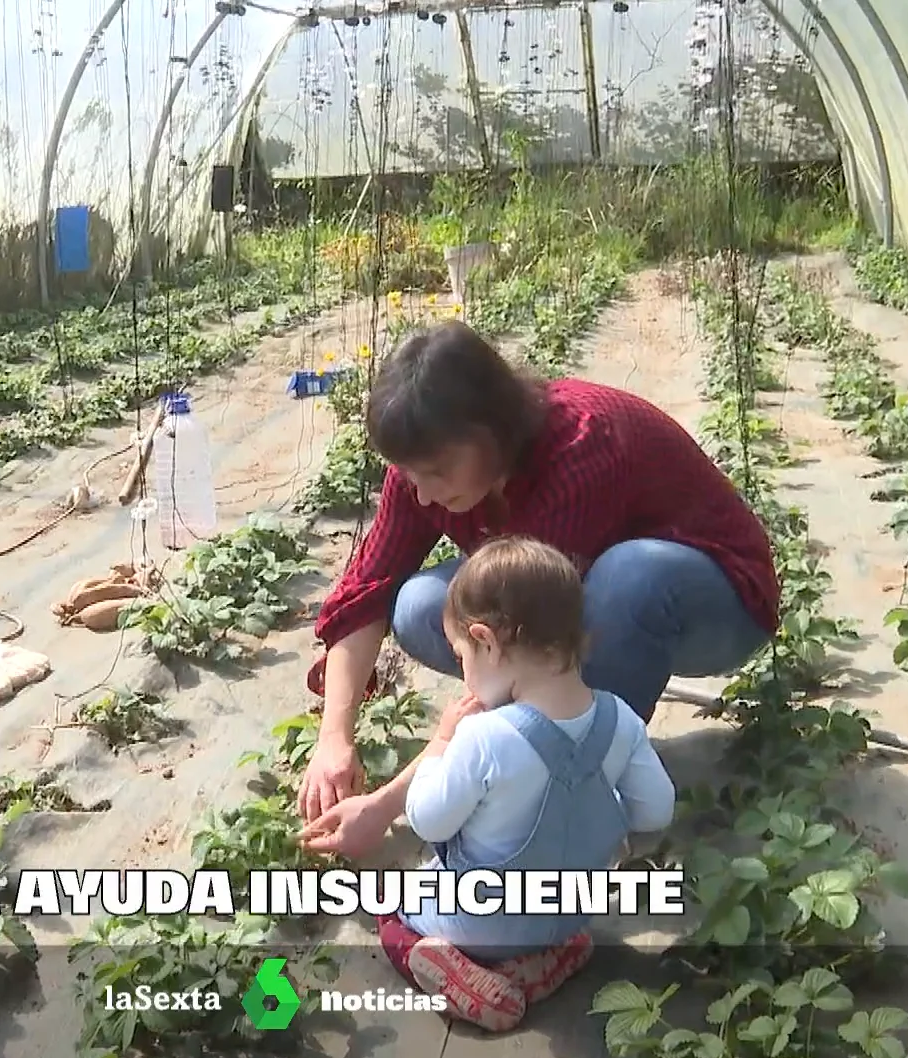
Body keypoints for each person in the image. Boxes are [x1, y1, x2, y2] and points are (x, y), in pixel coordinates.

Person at [298, 319, 778, 857]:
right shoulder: (425, 461)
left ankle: (582, 782)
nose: (425, 496)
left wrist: (385, 804)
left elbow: (519, 642)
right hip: (581, 600)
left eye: (437, 472)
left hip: (716, 602)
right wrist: (334, 740)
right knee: (418, 605)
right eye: (412, 477)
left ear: (492, 430)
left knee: (629, 576)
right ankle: (561, 730)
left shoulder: (578, 451)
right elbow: (370, 586)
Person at [345, 536, 676, 1032]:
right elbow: (655, 812)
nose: (465, 673)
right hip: (567, 911)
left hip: (479, 923)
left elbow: (427, 816)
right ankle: (546, 961)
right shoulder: (621, 721)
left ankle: (452, 969)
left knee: (389, 906)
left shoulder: (484, 736)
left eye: (462, 657)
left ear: (487, 641)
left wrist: (441, 741)